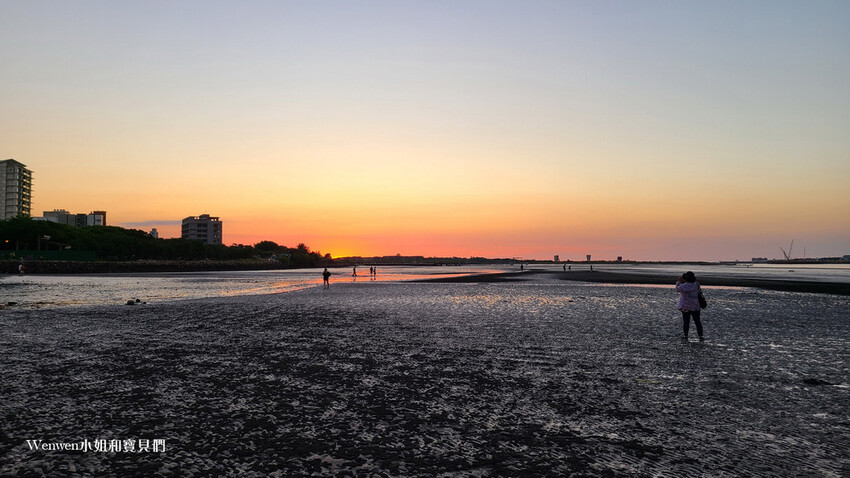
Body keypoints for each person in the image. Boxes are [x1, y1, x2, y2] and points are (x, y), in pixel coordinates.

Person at [676, 271, 704, 341]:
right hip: (695, 305)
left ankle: (686, 335)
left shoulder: (683, 286)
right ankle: (700, 336)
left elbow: (677, 289)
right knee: (697, 321)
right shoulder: (696, 285)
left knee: (686, 322)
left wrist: (678, 281)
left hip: (685, 306)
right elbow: (699, 292)